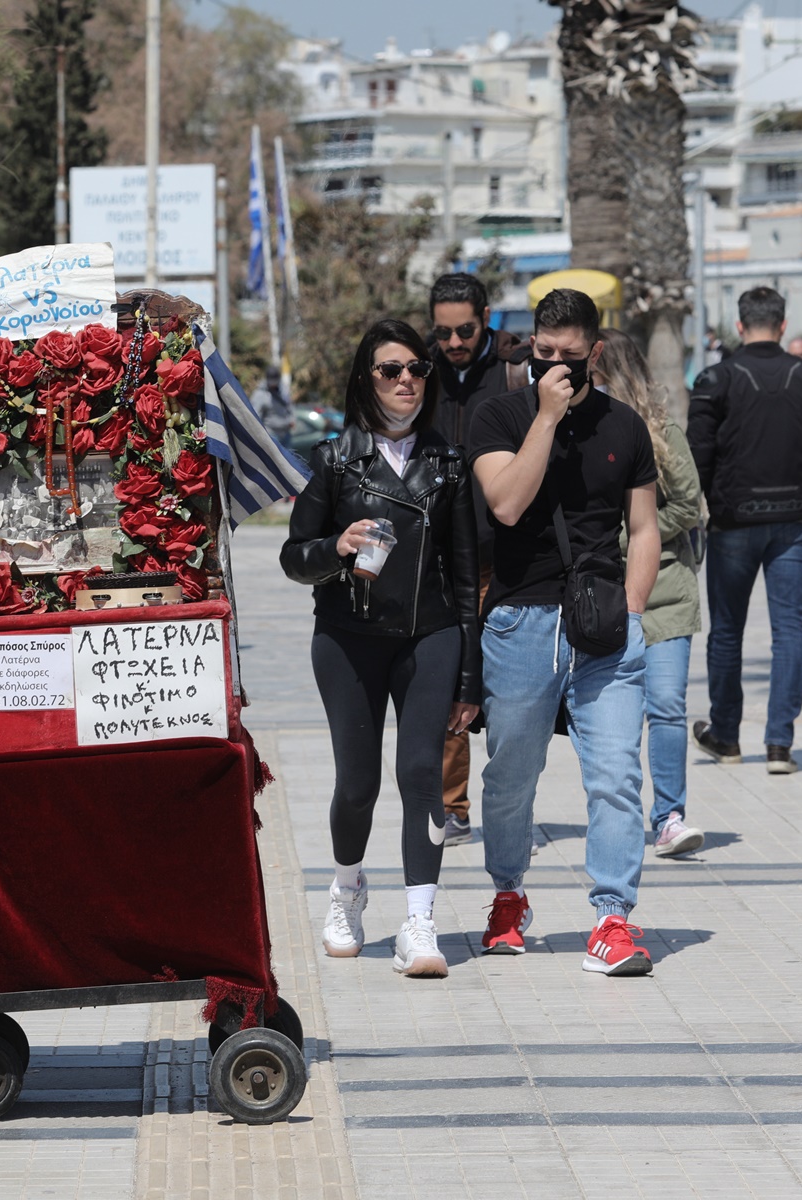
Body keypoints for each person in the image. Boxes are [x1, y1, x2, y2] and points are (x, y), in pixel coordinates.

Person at [466, 288, 661, 977]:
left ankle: (613, 920)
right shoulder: (498, 415)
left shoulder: (624, 427)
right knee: (513, 775)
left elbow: (643, 528)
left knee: (615, 776)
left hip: (604, 625)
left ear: (595, 354)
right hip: (523, 621)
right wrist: (545, 417)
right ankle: (509, 895)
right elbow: (508, 503)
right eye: (541, 355)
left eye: (570, 358)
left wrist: (634, 610)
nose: (554, 367)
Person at [282, 318, 482, 977]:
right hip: (348, 639)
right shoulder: (337, 459)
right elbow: (293, 556)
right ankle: (347, 889)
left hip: (430, 635)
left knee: (423, 773)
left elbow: (463, 573)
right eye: (391, 370)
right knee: (358, 785)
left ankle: (420, 923)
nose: (407, 381)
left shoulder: (447, 463)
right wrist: (336, 550)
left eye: (418, 370)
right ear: (366, 380)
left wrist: (469, 681)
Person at [688, 287, 802, 775]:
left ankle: (726, 735)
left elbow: (697, 456)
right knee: (789, 631)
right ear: (782, 325)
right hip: (797, 521)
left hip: (734, 520)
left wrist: (705, 507)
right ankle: (779, 744)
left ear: (740, 326)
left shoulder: (715, 379)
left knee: (727, 633)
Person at [593, 330, 707, 857]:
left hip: (665, 591)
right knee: (607, 718)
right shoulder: (579, 433)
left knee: (665, 706)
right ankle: (617, 815)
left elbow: (689, 506)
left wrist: (630, 535)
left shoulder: (662, 432)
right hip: (603, 594)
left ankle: (669, 817)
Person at [428, 273, 530, 847]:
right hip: (442, 555)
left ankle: (509, 795)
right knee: (446, 676)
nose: (453, 342)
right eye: (443, 332)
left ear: (486, 317)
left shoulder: (515, 370)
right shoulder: (418, 370)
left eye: (464, 329)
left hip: (504, 554)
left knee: (505, 682)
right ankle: (452, 806)